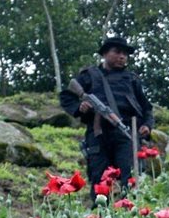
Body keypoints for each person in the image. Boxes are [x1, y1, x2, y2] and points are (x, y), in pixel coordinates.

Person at [59, 37, 154, 193]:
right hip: (98, 135)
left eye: (125, 54)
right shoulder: (89, 75)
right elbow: (67, 96)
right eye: (117, 52)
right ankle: (99, 216)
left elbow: (146, 108)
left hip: (127, 134)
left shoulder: (132, 79)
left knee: (131, 179)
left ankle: (129, 211)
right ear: (104, 53)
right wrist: (80, 107)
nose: (122, 56)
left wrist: (147, 125)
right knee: (99, 180)